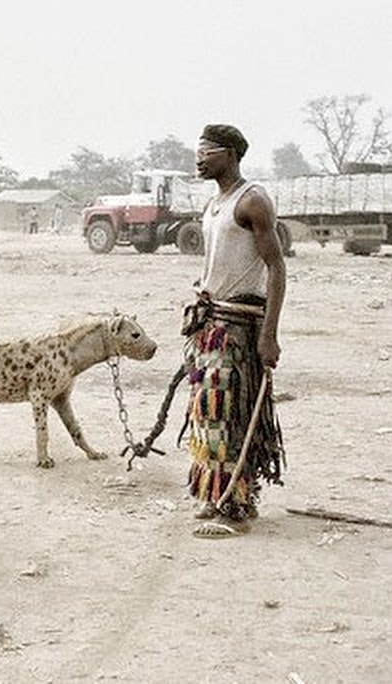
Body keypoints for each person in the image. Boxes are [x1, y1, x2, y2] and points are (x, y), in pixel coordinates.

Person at [180, 125, 286, 538]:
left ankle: (237, 505)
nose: (199, 158)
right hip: (212, 322)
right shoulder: (215, 203)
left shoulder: (252, 200)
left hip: (240, 325)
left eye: (207, 151)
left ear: (231, 155)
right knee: (208, 411)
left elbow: (276, 267)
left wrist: (270, 334)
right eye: (198, 150)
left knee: (230, 412)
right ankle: (218, 493)